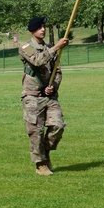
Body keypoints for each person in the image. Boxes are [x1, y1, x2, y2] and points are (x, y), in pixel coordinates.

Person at [19, 16, 69, 176]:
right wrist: (56, 47)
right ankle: (40, 164)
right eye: (39, 27)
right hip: (32, 96)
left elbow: (58, 72)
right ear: (32, 30)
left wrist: (53, 86)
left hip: (49, 96)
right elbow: (38, 61)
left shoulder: (49, 47)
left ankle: (44, 151)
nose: (43, 29)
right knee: (36, 132)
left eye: (44, 27)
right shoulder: (25, 47)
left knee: (58, 126)